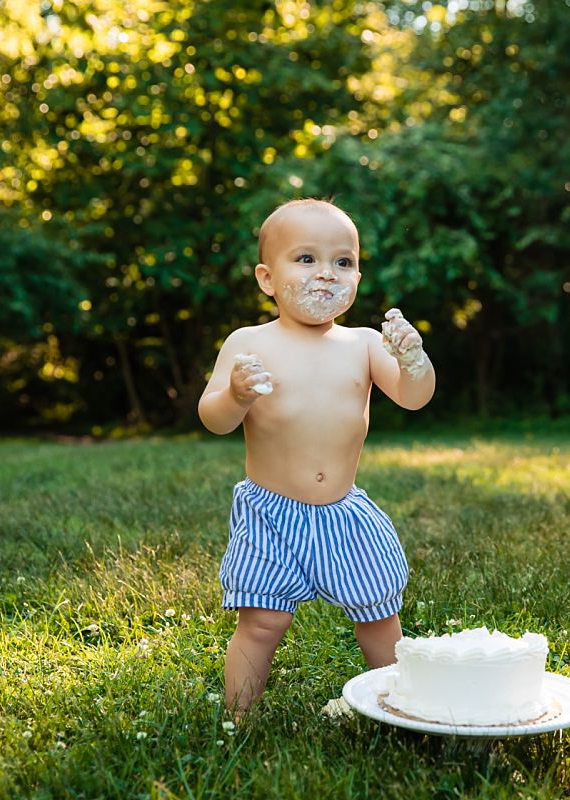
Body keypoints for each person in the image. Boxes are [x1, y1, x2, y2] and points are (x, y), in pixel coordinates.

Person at [198, 198, 436, 718]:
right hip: (271, 514)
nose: (325, 273)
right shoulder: (249, 342)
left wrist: (413, 360)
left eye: (342, 261)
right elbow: (213, 417)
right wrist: (236, 395)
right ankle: (239, 719)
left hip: (345, 514)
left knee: (379, 616)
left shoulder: (364, 344)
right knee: (261, 622)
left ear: (356, 276)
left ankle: (399, 707)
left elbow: (414, 397)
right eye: (305, 259)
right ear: (267, 278)